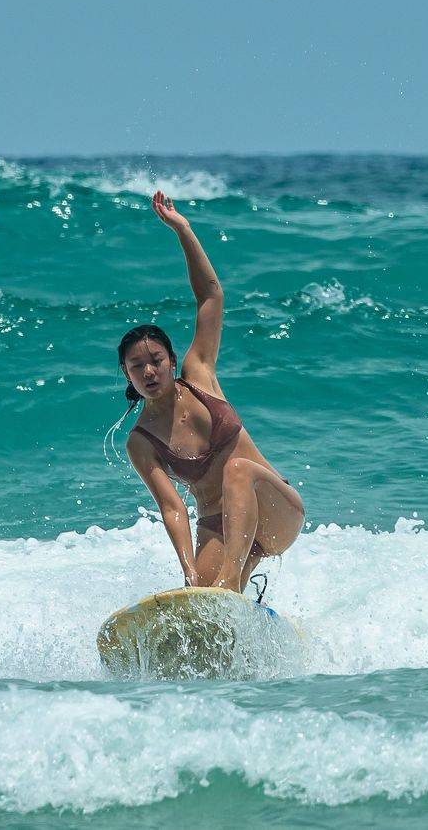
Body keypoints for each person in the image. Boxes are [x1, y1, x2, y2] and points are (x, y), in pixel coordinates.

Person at [114, 190, 305, 593]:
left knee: (238, 470)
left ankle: (232, 580)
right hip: (220, 525)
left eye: (156, 360)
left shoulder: (199, 374)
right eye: (136, 366)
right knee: (199, 596)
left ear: (171, 360)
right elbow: (172, 507)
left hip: (275, 510)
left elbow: (210, 296)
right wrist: (188, 570)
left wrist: (182, 229)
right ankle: (244, 608)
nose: (148, 371)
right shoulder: (141, 442)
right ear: (126, 374)